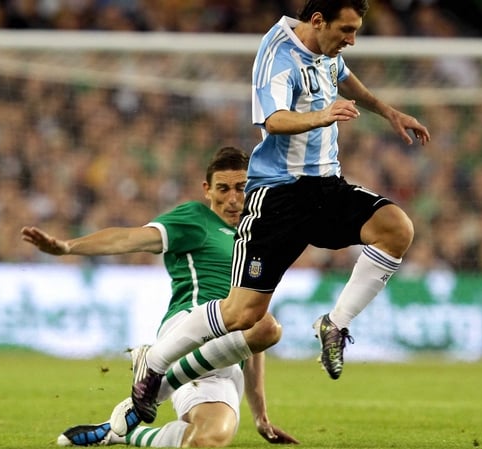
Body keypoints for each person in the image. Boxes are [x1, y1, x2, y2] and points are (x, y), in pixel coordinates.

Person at [125, 0, 431, 430]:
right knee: (241, 316)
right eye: (346, 30)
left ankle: (334, 326)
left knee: (397, 228)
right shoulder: (277, 55)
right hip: (279, 197)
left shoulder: (328, 51)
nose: (351, 40)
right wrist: (323, 115)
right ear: (318, 21)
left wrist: (389, 112)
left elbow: (345, 79)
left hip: (326, 185)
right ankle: (153, 362)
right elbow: (272, 120)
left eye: (355, 31)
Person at [21, 146, 298, 447]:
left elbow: (252, 344)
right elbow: (129, 238)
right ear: (207, 190)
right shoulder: (195, 219)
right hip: (188, 337)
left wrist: (261, 416)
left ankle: (126, 430)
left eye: (241, 188)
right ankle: (154, 366)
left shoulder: (256, 240)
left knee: (206, 441)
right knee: (268, 326)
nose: (232, 198)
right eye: (223, 189)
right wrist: (68, 247)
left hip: (224, 363)